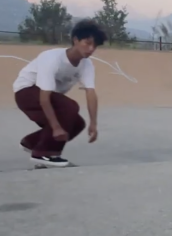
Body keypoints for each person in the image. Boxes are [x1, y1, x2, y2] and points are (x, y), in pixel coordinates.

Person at [12, 19, 108, 167]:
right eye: (87, 43)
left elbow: (90, 93)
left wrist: (93, 124)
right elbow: (44, 97)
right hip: (26, 92)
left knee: (77, 124)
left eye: (94, 46)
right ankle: (44, 154)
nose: (91, 49)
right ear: (75, 40)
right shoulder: (52, 58)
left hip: (48, 97)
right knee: (70, 107)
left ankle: (31, 143)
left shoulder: (87, 64)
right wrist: (56, 127)